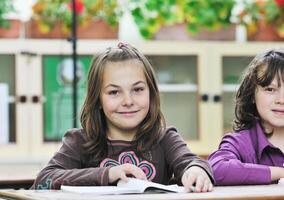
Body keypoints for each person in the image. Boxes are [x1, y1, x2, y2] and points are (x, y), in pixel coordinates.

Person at [31, 42, 214, 192]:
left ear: (151, 93)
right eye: (114, 92)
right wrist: (107, 174)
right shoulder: (79, 140)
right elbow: (43, 180)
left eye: (138, 89)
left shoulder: (165, 138)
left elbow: (192, 162)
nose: (128, 101)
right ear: (98, 99)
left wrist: (196, 170)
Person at [208, 48, 284, 185]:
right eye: (270, 89)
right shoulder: (241, 142)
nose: (281, 100)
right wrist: (280, 173)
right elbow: (217, 169)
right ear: (252, 95)